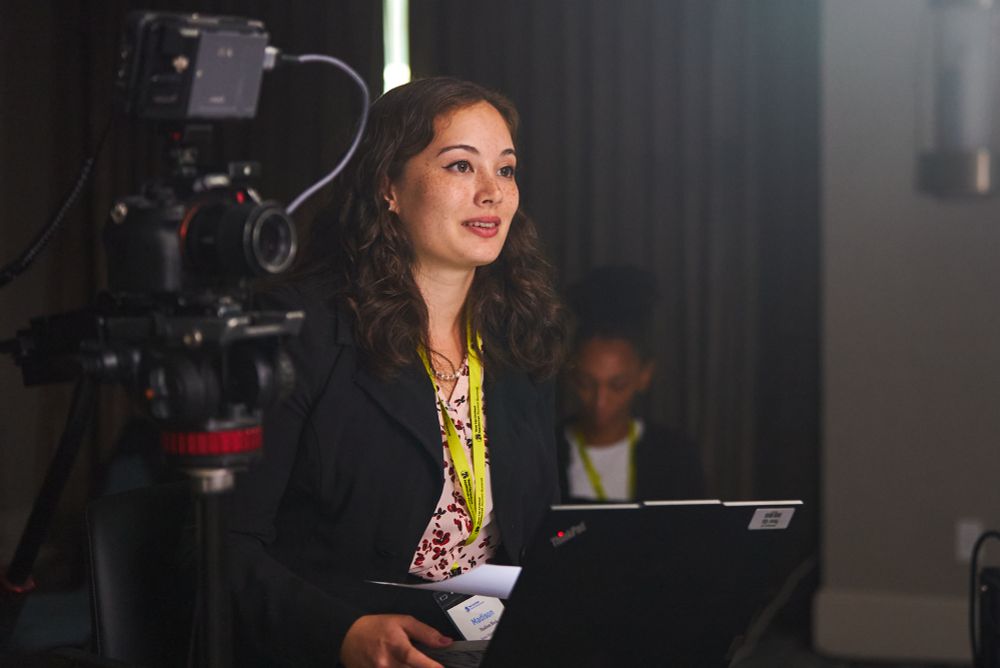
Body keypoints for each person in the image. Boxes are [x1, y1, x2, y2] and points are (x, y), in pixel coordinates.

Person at [226, 77, 567, 668]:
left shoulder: (519, 332)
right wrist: (342, 633)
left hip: (487, 644)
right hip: (337, 644)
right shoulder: (296, 329)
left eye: (506, 171)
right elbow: (220, 547)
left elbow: (539, 540)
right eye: (461, 167)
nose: (493, 192)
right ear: (389, 187)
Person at [558, 266, 704, 503]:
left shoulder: (674, 456)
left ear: (644, 376)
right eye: (586, 383)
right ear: (571, 373)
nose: (600, 401)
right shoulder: (546, 452)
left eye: (617, 385)